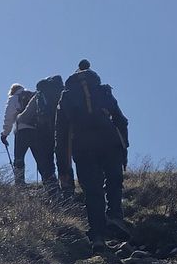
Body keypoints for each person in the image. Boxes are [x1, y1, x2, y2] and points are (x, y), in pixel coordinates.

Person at [55, 60, 129, 253]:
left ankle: (97, 237)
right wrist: (124, 148)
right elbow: (121, 120)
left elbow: (61, 133)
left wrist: (63, 166)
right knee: (114, 179)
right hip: (109, 141)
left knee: (92, 190)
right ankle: (114, 216)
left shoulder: (66, 96)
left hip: (83, 146)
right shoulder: (103, 90)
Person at [0, 83, 36, 187]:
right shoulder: (33, 96)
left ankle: (20, 183)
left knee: (19, 157)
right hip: (37, 131)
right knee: (40, 157)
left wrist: (5, 134)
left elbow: (9, 117)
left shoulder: (14, 98)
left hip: (22, 131)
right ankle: (50, 183)